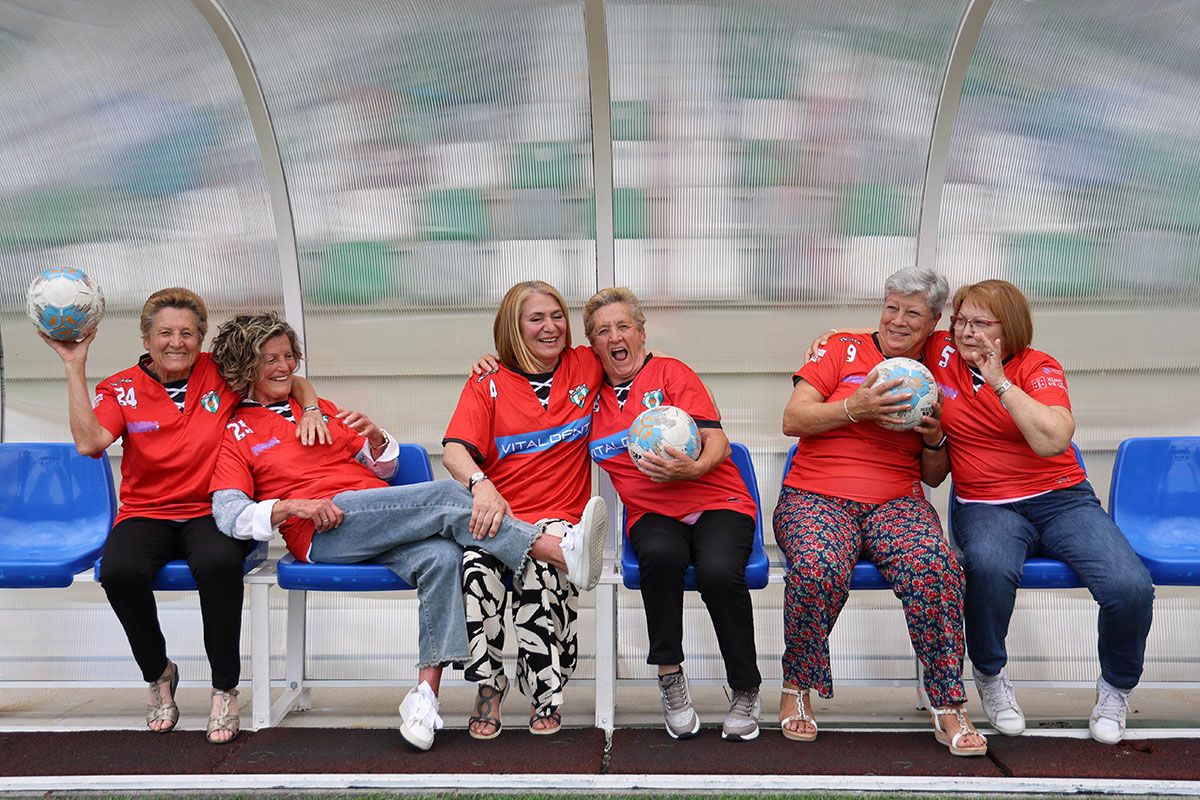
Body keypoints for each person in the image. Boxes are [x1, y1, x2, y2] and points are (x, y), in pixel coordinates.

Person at [207, 311, 606, 751]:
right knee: (446, 497)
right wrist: (289, 506)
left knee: (443, 558)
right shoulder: (236, 431)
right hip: (326, 529)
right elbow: (230, 514)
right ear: (246, 367)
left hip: (375, 518)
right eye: (270, 360)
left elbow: (385, 468)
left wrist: (378, 441)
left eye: (287, 356)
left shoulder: (319, 409)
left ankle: (425, 698)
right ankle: (555, 550)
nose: (284, 367)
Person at [40, 287, 328, 744]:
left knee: (217, 565)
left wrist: (310, 406)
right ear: (146, 337)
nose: (177, 342)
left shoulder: (223, 370)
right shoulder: (118, 388)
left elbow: (283, 374)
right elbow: (89, 442)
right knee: (118, 571)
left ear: (201, 337)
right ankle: (159, 673)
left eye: (188, 333)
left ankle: (224, 689)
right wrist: (74, 364)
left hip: (211, 510)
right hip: (147, 512)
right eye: (165, 332)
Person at [920, 279, 1153, 745]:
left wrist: (999, 381)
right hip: (986, 503)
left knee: (1130, 586)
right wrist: (829, 340)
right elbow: (890, 331)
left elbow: (1051, 440)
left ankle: (1115, 689)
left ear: (1011, 328)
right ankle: (989, 675)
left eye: (981, 323)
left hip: (1062, 498)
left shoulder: (1039, 366)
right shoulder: (938, 353)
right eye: (960, 321)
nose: (966, 332)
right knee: (987, 567)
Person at [776, 267, 986, 756]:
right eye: (891, 307)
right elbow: (793, 418)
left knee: (936, 568)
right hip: (815, 495)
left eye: (912, 313)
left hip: (897, 500)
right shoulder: (841, 348)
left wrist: (934, 437)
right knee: (818, 567)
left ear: (934, 322)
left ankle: (947, 703)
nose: (897, 320)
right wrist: (857, 407)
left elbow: (934, 476)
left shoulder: (939, 363)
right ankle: (796, 687)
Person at [582, 287, 764, 742]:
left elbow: (718, 441)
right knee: (659, 558)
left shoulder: (670, 372)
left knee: (720, 571)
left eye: (624, 325)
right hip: (650, 511)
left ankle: (745, 686)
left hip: (718, 500)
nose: (615, 336)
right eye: (603, 331)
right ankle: (670, 678)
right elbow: (535, 366)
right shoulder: (587, 396)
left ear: (642, 333)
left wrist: (695, 466)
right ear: (592, 345)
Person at [443, 280, 605, 738]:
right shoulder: (486, 381)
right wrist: (482, 485)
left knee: (542, 568)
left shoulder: (585, 364)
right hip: (500, 517)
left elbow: (625, 346)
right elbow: (455, 450)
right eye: (536, 318)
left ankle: (545, 691)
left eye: (557, 316)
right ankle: (489, 687)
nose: (551, 327)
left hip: (560, 516)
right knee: (475, 569)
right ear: (513, 328)